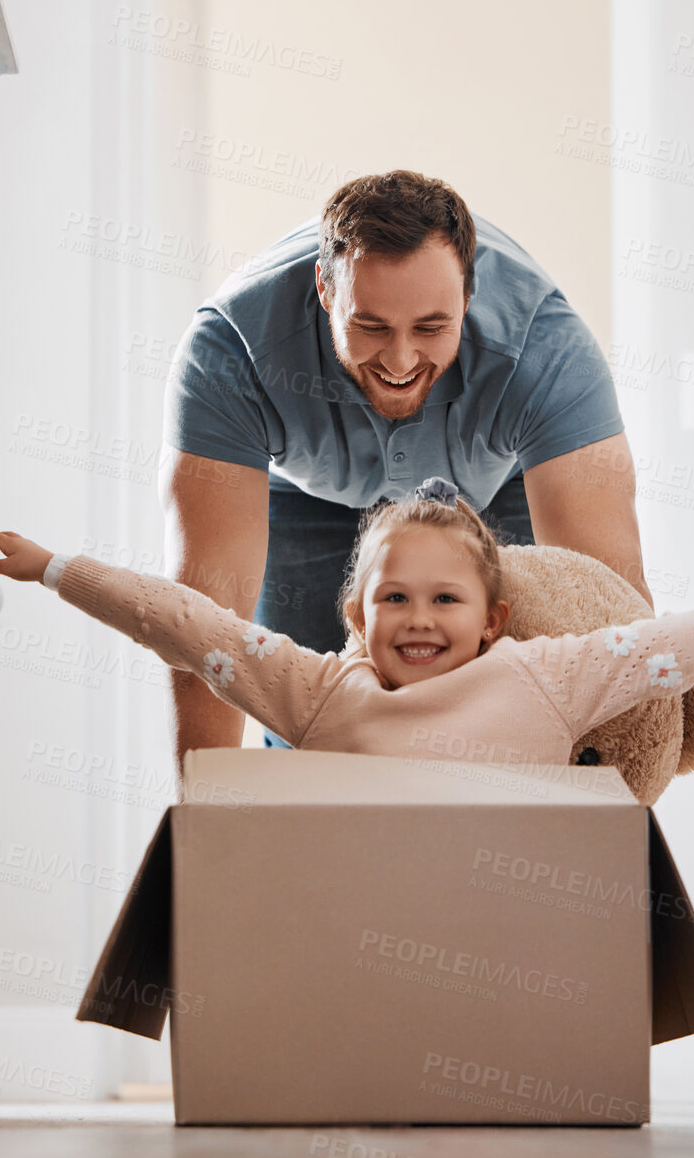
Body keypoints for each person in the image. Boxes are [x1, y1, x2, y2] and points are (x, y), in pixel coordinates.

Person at [159, 169, 650, 768]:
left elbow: (610, 615)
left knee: (515, 701)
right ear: (324, 289)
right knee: (305, 722)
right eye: (370, 327)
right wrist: (202, 824)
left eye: (430, 327)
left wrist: (613, 825)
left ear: (469, 296)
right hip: (306, 497)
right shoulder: (229, 352)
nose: (400, 358)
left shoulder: (545, 353)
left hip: (498, 488)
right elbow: (204, 625)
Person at [0, 477, 694, 768]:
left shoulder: (550, 675)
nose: (418, 617)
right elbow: (185, 621)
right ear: (355, 616)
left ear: (494, 618)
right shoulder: (321, 690)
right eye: (394, 597)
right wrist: (54, 567)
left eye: (445, 598)